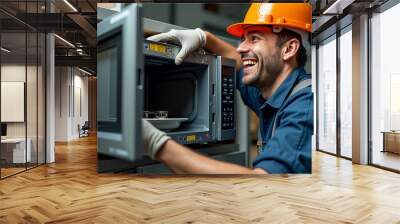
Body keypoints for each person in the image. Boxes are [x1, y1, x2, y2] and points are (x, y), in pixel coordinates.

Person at [142, 3, 313, 174]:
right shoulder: (268, 90)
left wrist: (156, 144)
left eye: (254, 38)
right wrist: (203, 37)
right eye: (243, 39)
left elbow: (261, 185)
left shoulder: (304, 106)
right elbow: (237, 61)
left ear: (288, 49)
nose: (241, 48)